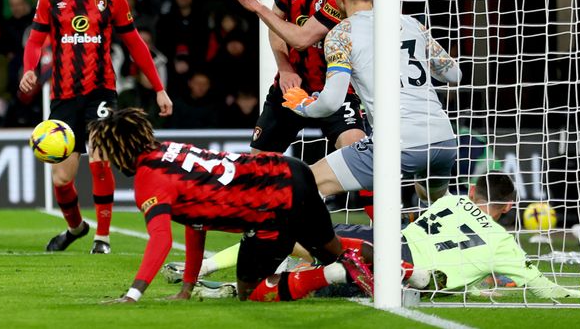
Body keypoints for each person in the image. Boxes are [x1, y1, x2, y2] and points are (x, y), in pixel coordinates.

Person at [90, 108, 373, 304]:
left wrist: (133, 294)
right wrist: (187, 287)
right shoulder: (168, 150)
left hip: (269, 206)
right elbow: (195, 223)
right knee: (332, 248)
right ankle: (410, 272)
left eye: (109, 153)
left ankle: (331, 274)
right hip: (293, 171)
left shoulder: (149, 179)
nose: (110, 162)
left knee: (249, 293)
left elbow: (161, 239)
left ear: (120, 149)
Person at [178, 173, 580, 301]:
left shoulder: (448, 201)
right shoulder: (504, 242)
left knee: (291, 234)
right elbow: (539, 284)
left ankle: (206, 269)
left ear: (471, 192)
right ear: (505, 210)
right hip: (404, 275)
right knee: (324, 281)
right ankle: (228, 290)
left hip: (383, 240)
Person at [19, 0, 173, 254]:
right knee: (61, 178)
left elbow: (136, 45)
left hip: (101, 91)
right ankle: (76, 228)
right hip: (63, 95)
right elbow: (35, 40)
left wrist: (159, 88)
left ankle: (102, 238)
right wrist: (30, 69)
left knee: (100, 161)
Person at [260, 0, 461, 202]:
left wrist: (302, 105)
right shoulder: (411, 25)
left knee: (301, 185)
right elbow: (454, 74)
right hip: (444, 140)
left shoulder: (342, 34)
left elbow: (332, 102)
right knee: (433, 197)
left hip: (399, 144)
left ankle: (296, 241)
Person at [224, 0, 367, 153]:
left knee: (354, 150)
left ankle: (327, 188)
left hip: (336, 88)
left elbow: (302, 39)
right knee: (259, 164)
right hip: (292, 86)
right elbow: (276, 26)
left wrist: (258, 7)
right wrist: (285, 67)